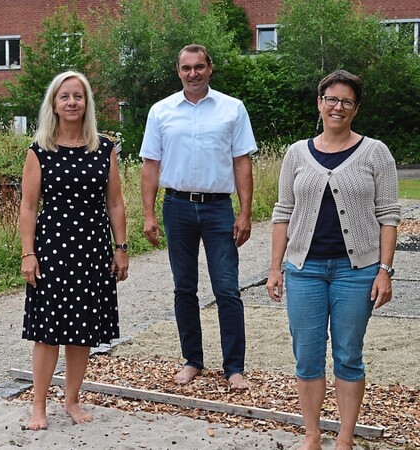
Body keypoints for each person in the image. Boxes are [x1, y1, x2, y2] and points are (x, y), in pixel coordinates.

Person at [265, 70, 400, 450]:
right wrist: (275, 268)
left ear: (356, 108)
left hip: (356, 272)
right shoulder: (296, 153)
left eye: (346, 101)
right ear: (319, 103)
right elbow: (283, 212)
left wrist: (385, 271)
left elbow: (389, 216)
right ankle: (311, 434)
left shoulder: (376, 152)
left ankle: (344, 437)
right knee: (306, 355)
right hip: (304, 270)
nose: (337, 106)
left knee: (348, 354)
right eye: (331, 99)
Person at [139, 44, 257, 390]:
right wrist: (148, 213)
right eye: (187, 68)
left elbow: (242, 162)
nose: (193, 73)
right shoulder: (161, 112)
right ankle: (193, 360)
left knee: (227, 288)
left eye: (199, 67)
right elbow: (150, 165)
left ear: (210, 68)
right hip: (177, 206)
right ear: (178, 71)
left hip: (219, 207)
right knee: (184, 288)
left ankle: (234, 367)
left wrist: (246, 212)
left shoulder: (232, 109)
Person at [19, 70, 129, 430]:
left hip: (93, 250)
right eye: (64, 96)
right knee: (47, 331)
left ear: (87, 103)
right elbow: (29, 207)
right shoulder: (39, 151)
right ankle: (38, 405)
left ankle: (72, 400)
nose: (71, 102)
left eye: (77, 97)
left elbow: (114, 203)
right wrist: (27, 253)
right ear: (54, 102)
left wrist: (121, 247)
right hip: (51, 250)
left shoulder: (104, 148)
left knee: (82, 331)